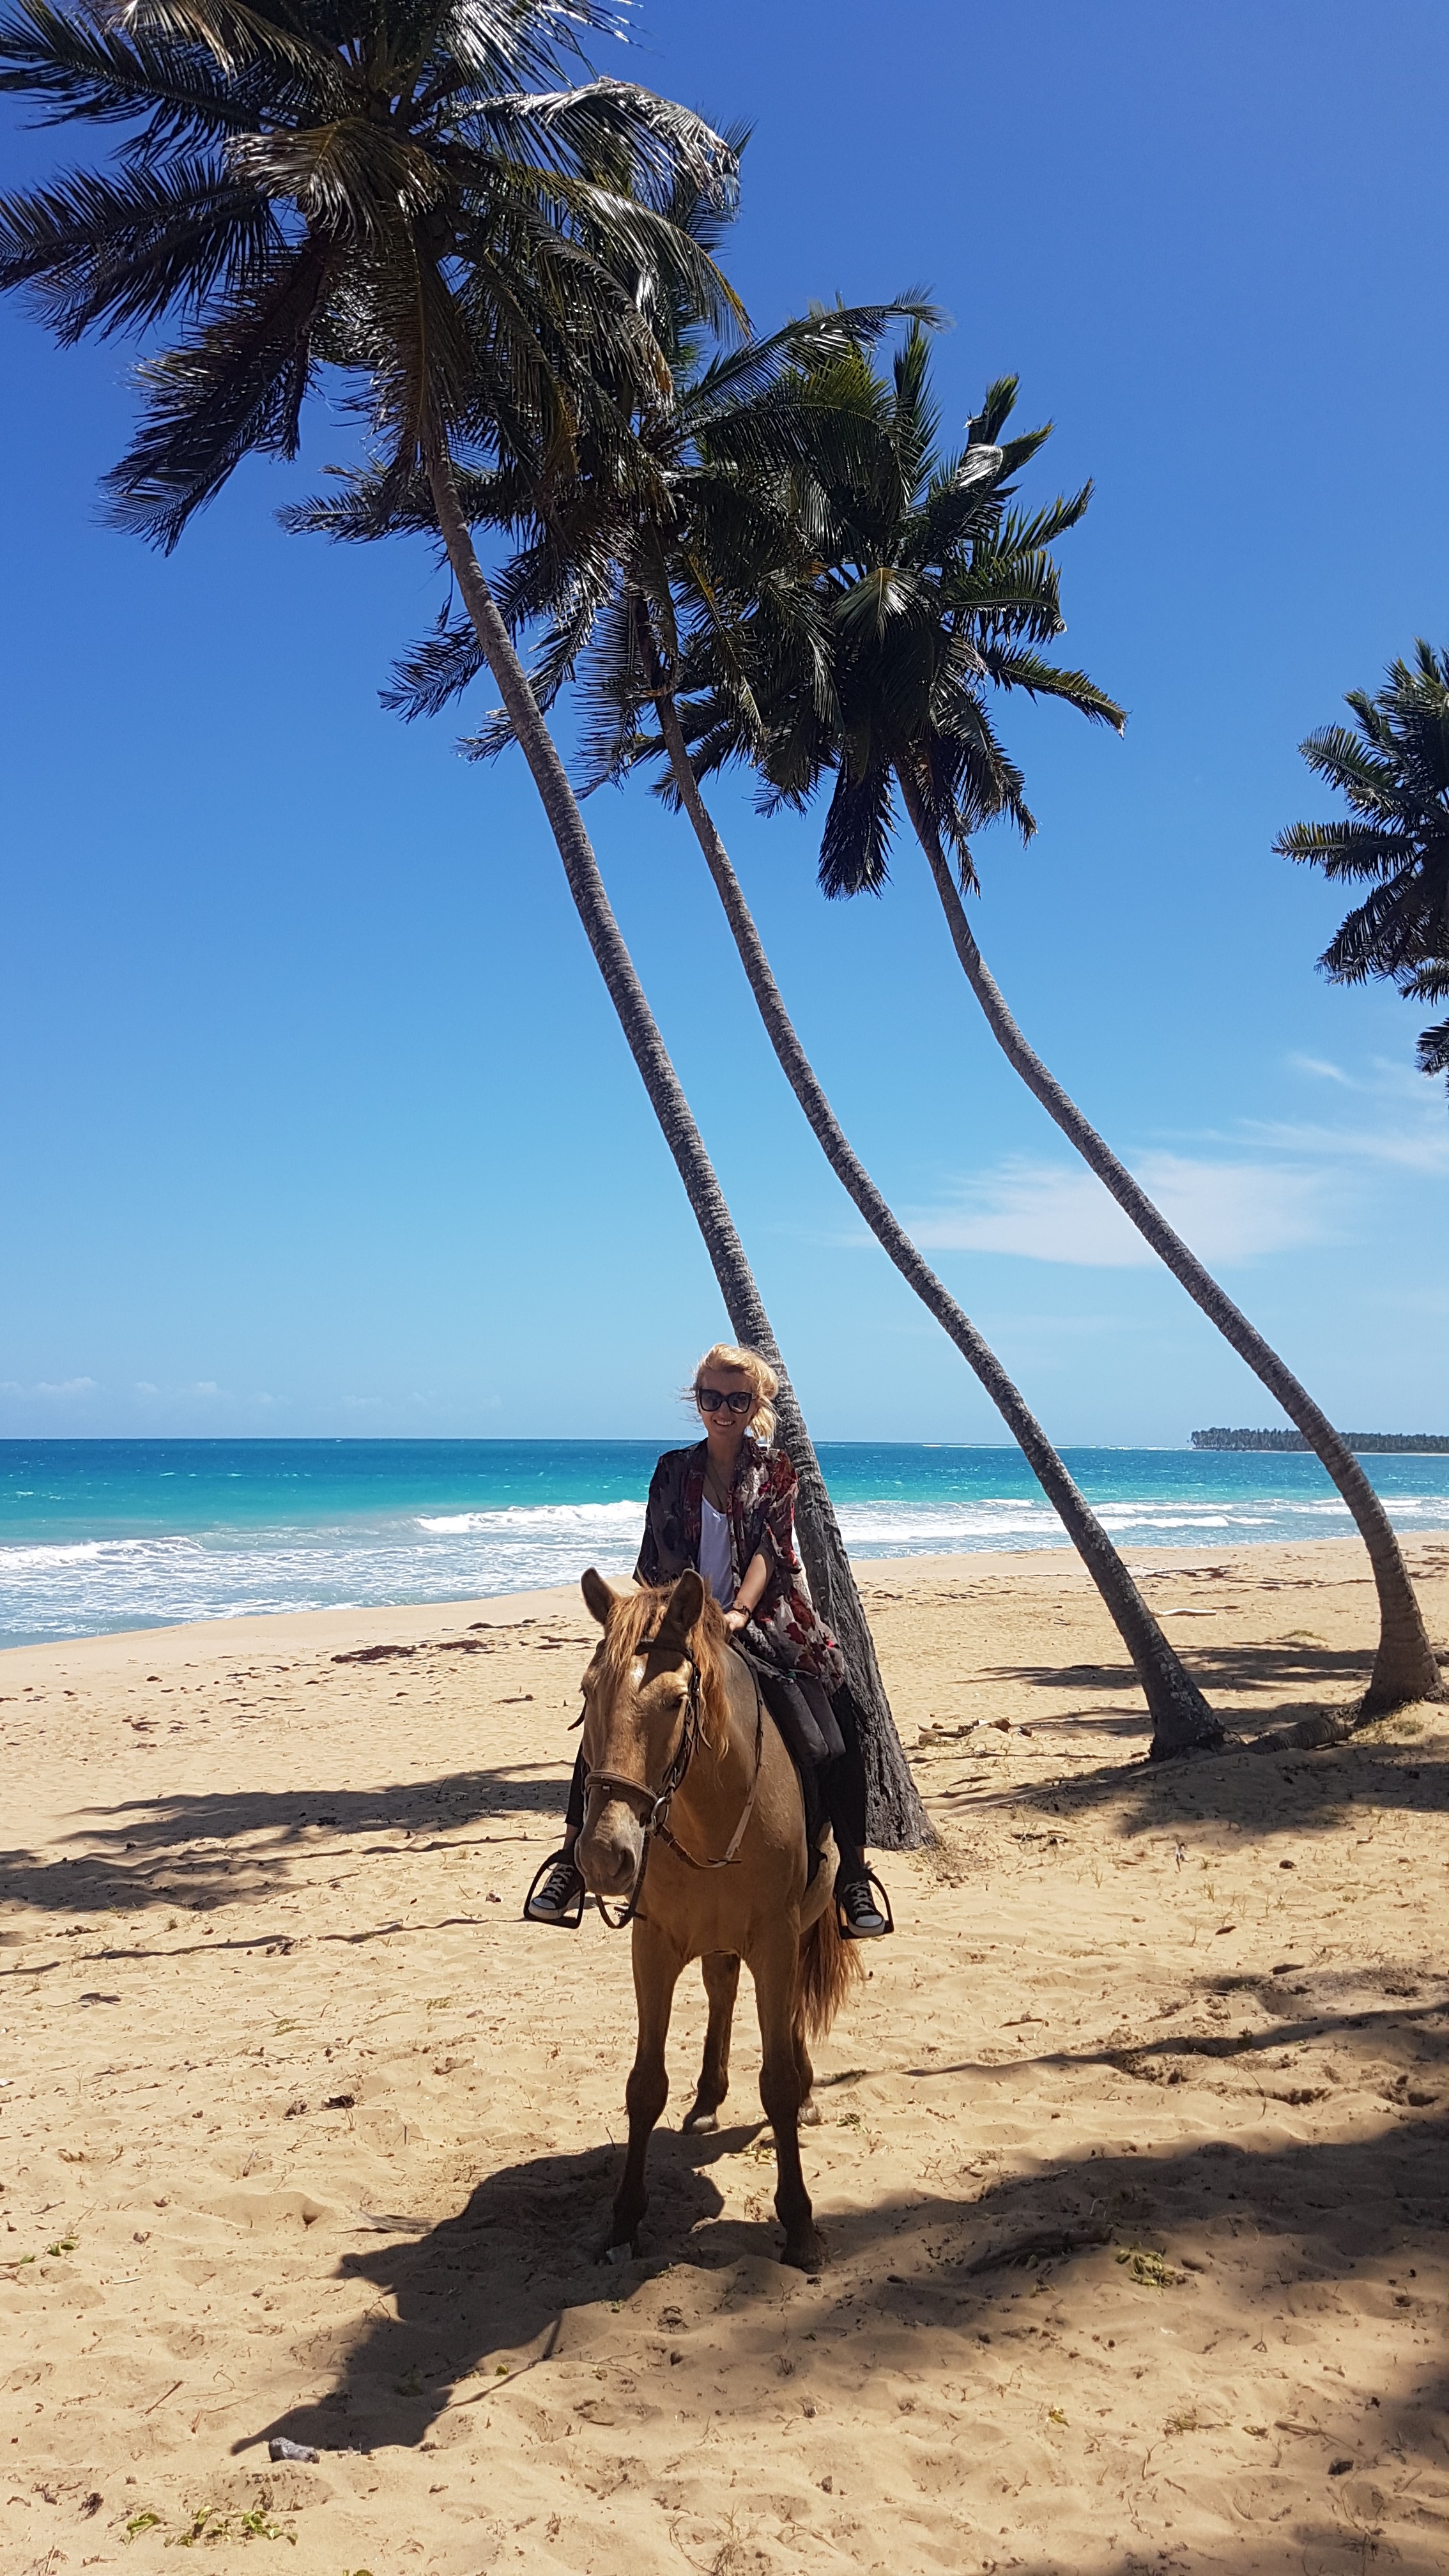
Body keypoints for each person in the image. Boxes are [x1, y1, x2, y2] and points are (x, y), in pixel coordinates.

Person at [527, 1344, 891, 1937]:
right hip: (677, 1619)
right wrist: (681, 1618)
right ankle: (570, 1860)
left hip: (763, 1619)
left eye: (737, 1400)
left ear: (756, 1405)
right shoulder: (672, 1471)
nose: (723, 1410)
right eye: (711, 1398)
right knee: (612, 1708)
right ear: (697, 1403)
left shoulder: (777, 1472)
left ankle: (851, 1872)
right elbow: (657, 1557)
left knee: (837, 1722)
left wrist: (739, 1612)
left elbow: (773, 1550)